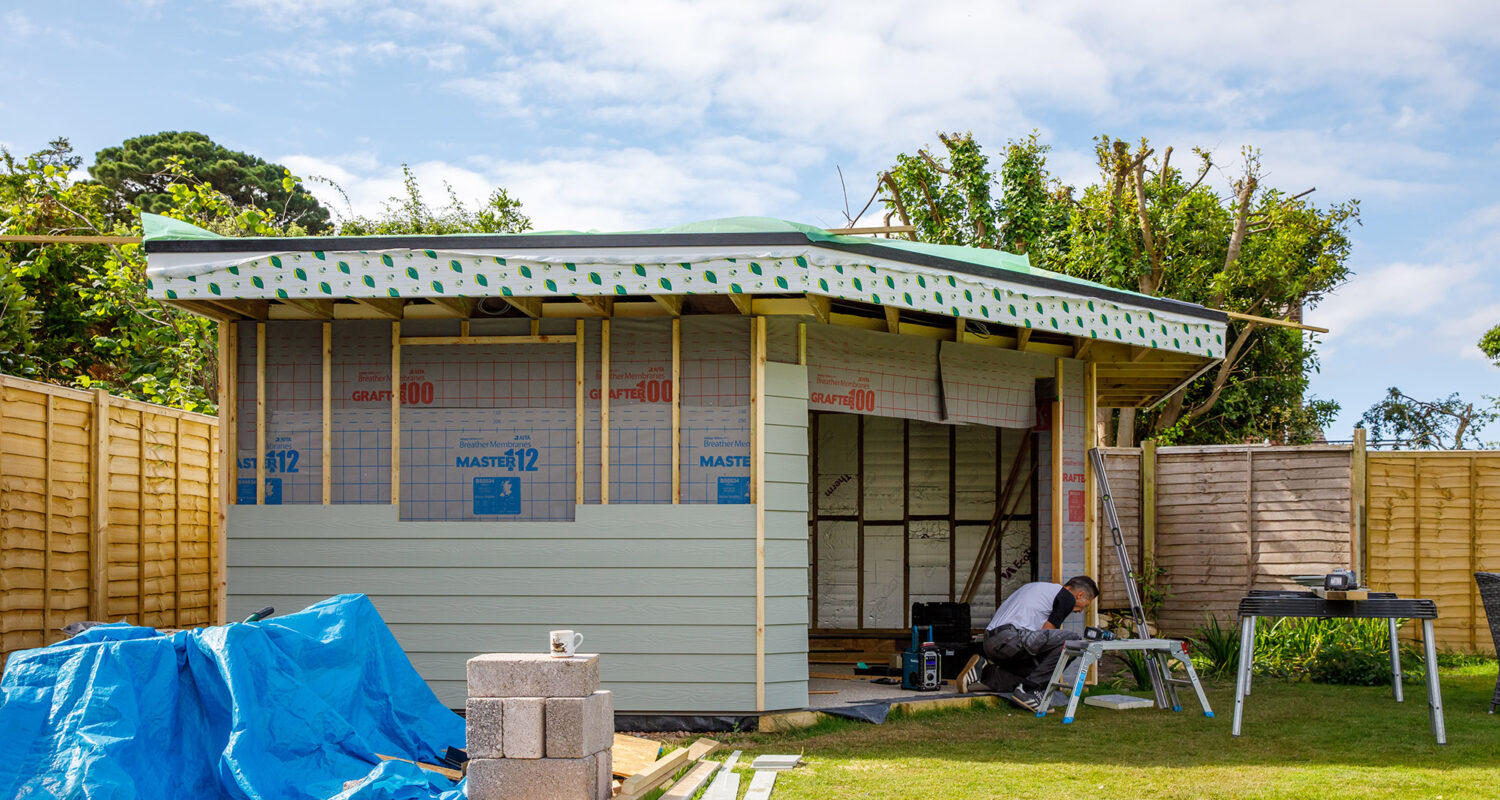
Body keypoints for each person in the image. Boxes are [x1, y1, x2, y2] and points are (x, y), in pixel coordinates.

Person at [957, 575, 1099, 711]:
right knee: (1072, 642)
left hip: (993, 643)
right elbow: (1048, 632)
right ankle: (1030, 691)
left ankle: (984, 672)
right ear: (1079, 595)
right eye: (1084, 606)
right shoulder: (1066, 596)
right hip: (1010, 638)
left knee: (1033, 674)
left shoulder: (1037, 588)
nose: (1080, 611)